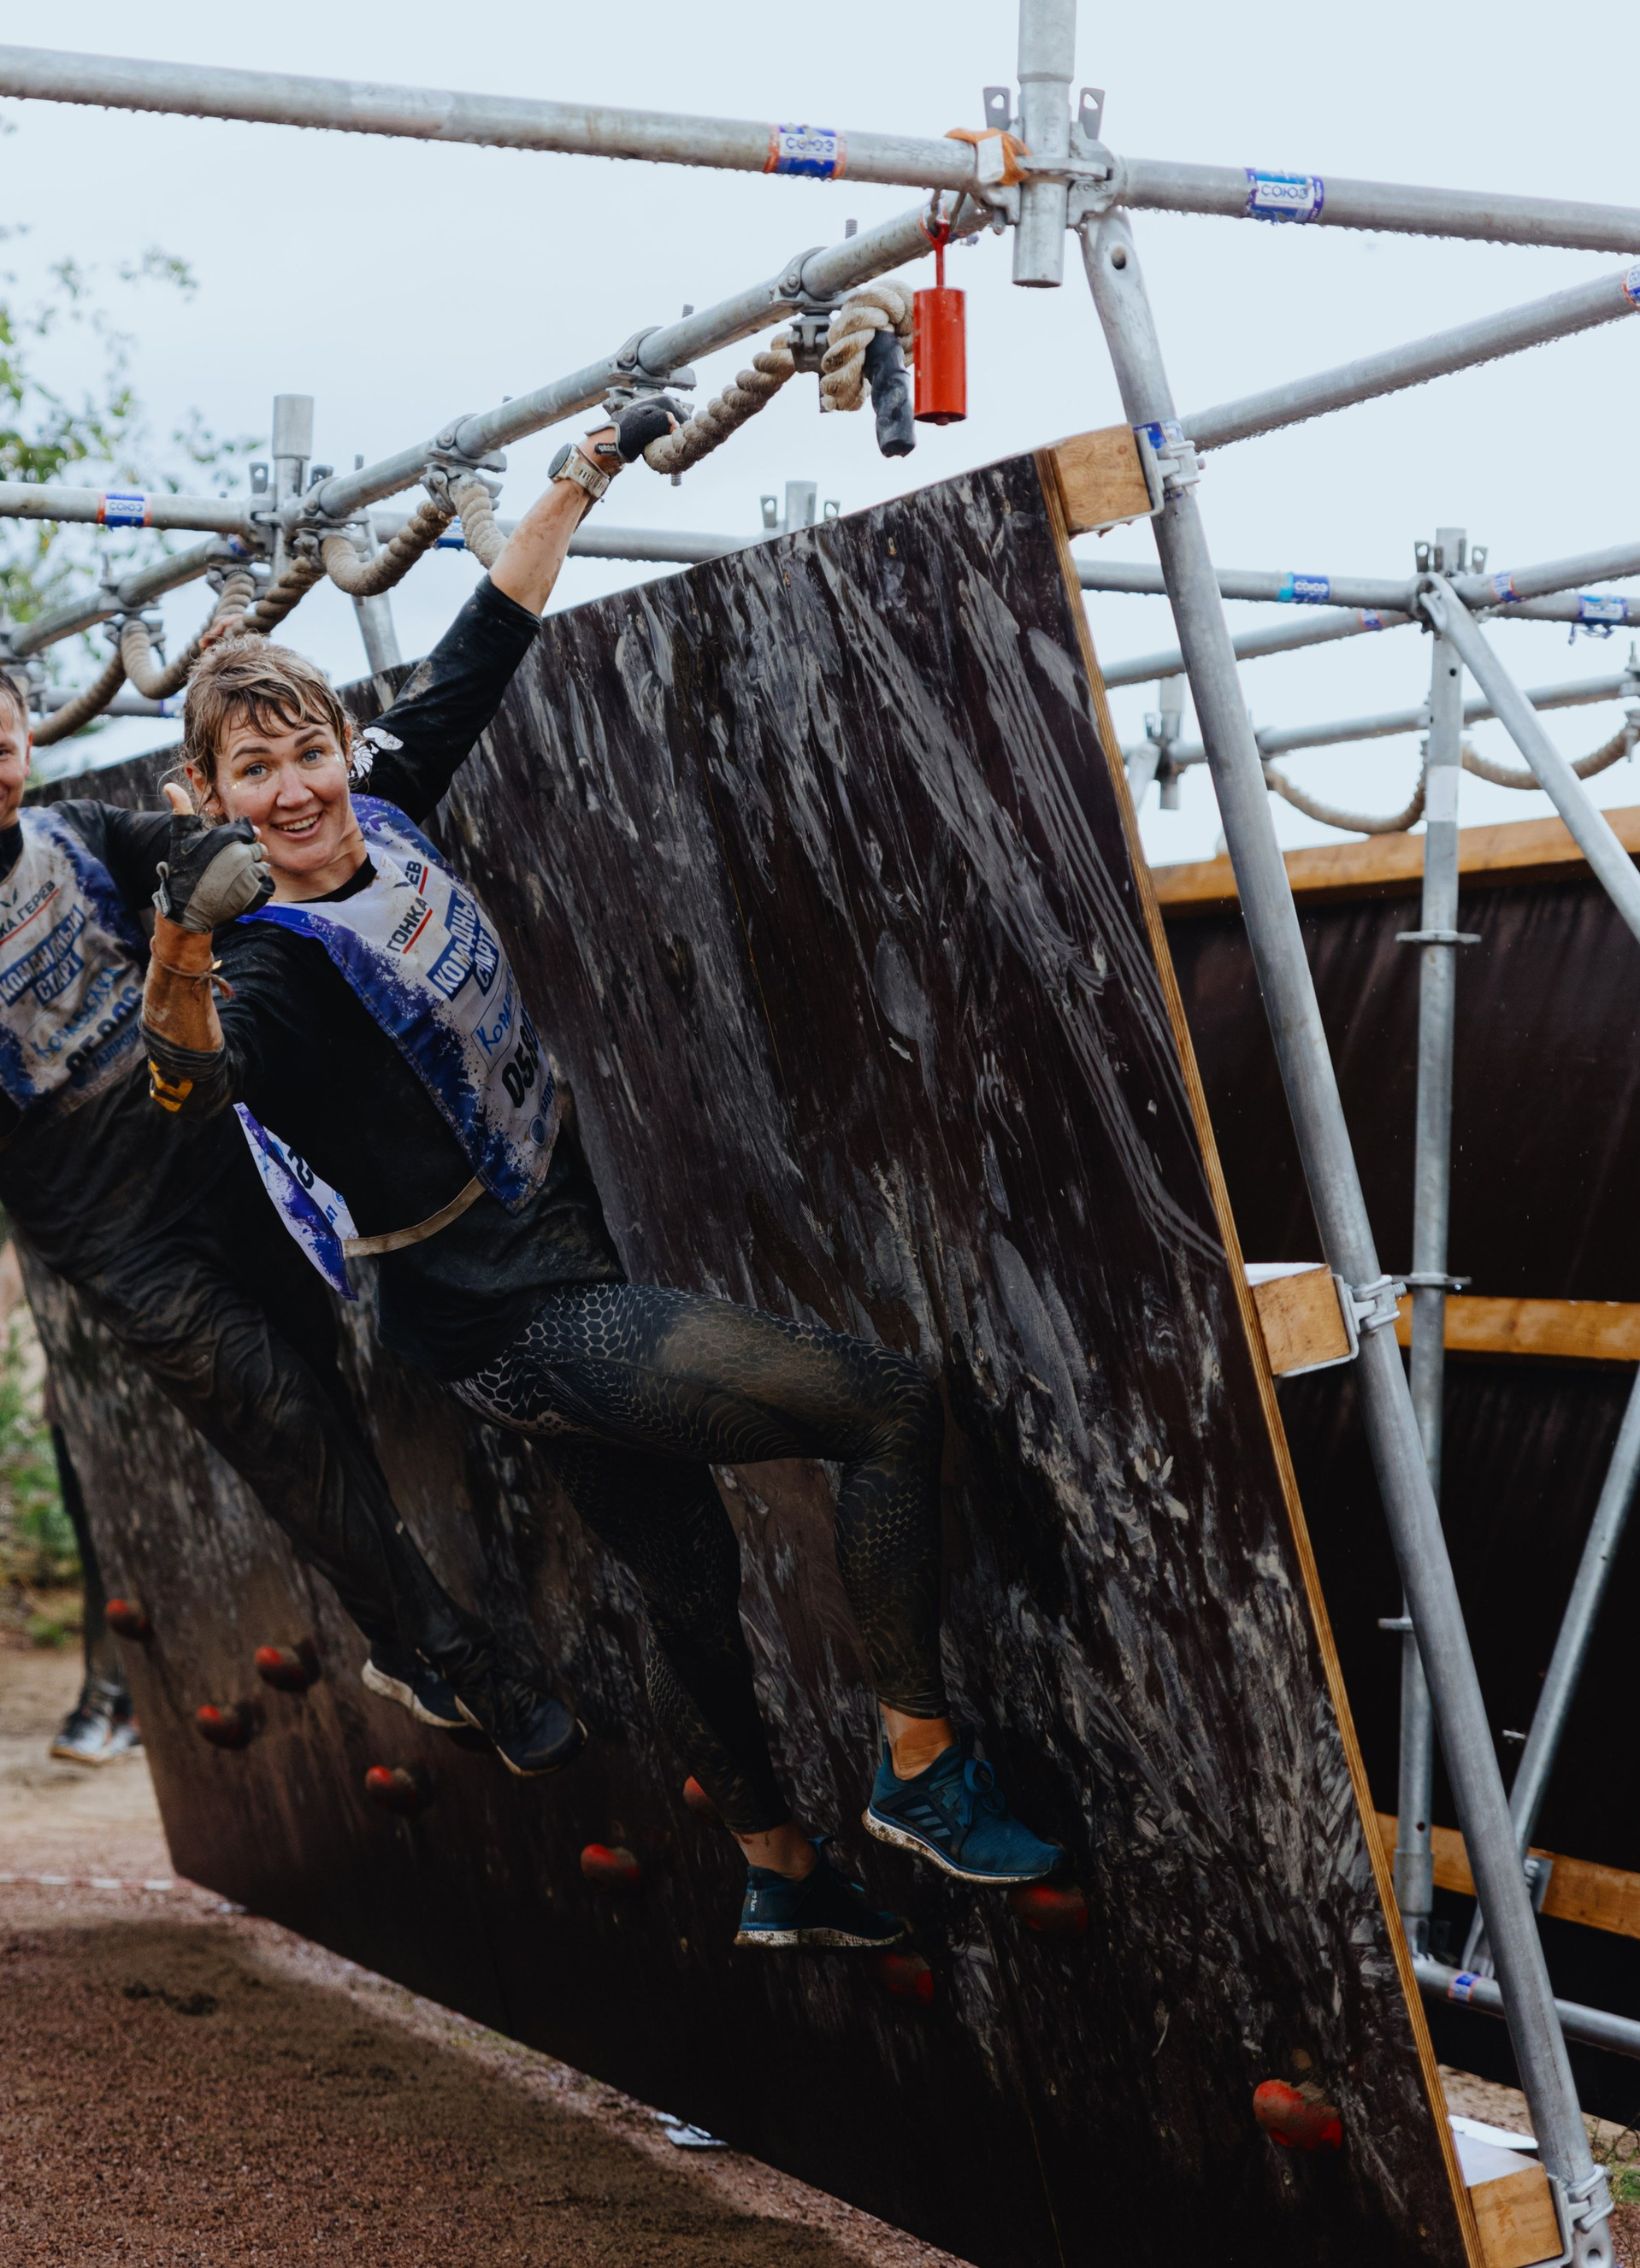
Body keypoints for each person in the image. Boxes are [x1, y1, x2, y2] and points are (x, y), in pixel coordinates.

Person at [139, 425, 1065, 1951]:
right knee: (887, 1405)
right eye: (255, 772)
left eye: (309, 753)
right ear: (205, 791)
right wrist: (178, 943)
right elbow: (186, 1082)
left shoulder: (378, 810)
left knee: (691, 1577)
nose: (296, 790)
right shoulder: (262, 971)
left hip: (544, 1270)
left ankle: (778, 1872)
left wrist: (577, 482)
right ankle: (921, 1769)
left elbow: (481, 648)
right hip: (511, 1314)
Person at [0, 650, 580, 1774]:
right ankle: (461, 1652)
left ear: (28, 750)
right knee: (283, 1423)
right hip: (122, 1245)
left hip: (226, 1167)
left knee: (326, 1399)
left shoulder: (77, 839)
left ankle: (399, 1643)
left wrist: (208, 839)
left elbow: (229, 874)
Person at [0, 1234, 139, 1766]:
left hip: (173, 1393)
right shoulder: (59, 1167)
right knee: (101, 1552)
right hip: (80, 1400)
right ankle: (109, 1708)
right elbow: (23, 1238)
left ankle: (119, 1708)